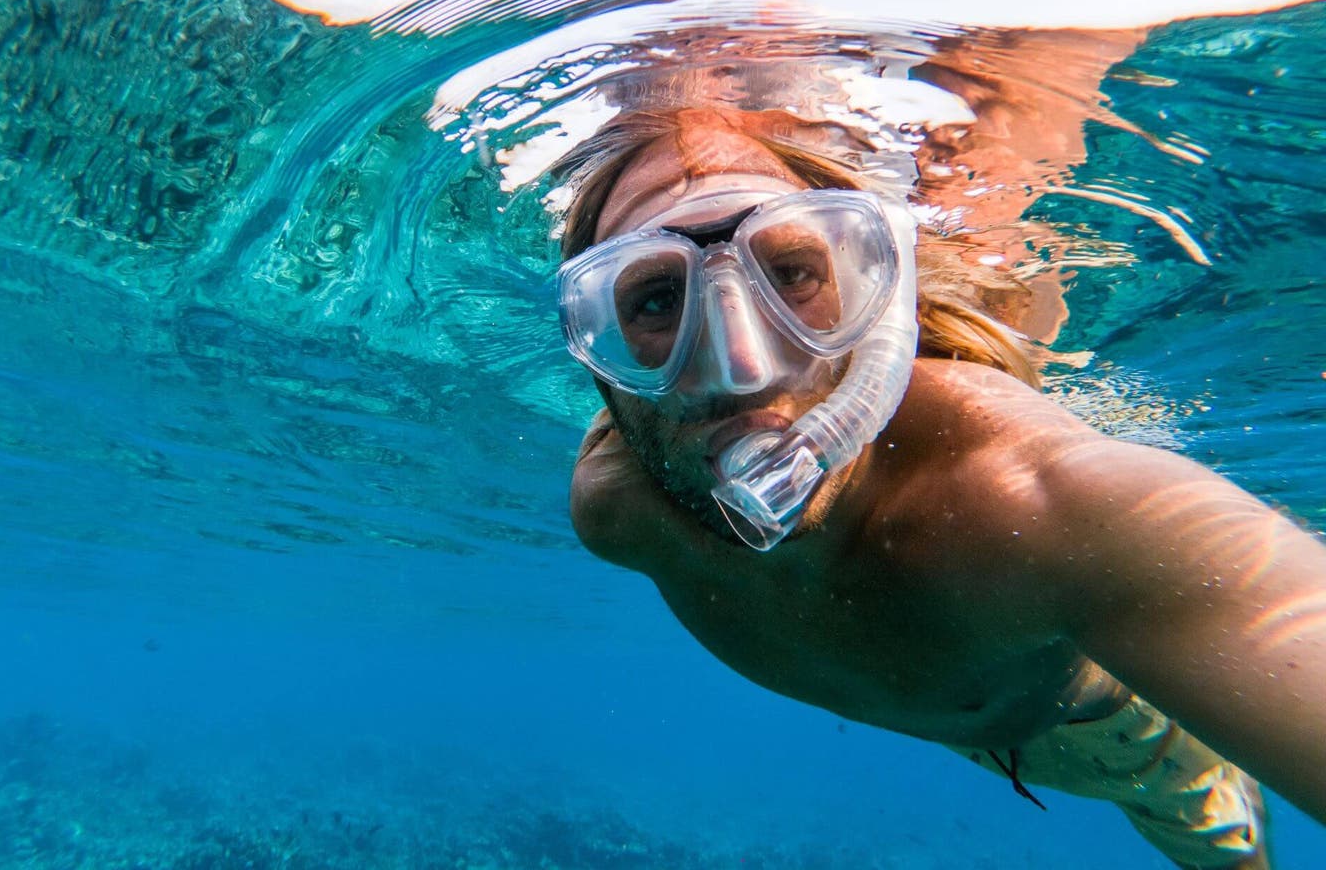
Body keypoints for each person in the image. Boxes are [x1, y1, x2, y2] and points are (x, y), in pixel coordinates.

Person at [555, 102, 1326, 869]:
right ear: (601, 358)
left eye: (790, 274)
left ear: (879, 299)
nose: (744, 367)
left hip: (1130, 737)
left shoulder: (1032, 502)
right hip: (971, 731)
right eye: (656, 299)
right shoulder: (617, 510)